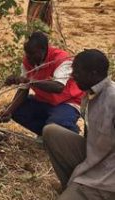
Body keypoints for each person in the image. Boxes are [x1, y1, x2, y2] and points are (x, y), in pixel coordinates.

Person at [43, 49, 115, 199]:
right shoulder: (90, 93)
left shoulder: (112, 99)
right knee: (52, 132)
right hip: (95, 158)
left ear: (93, 74)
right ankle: (72, 185)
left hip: (107, 178)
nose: (72, 75)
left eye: (77, 71)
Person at [0, 31, 84, 140]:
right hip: (44, 101)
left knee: (56, 124)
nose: (29, 58)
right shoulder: (28, 62)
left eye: (33, 54)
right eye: (27, 54)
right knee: (16, 110)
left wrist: (28, 80)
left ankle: (68, 133)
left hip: (67, 102)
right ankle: (47, 135)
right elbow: (23, 90)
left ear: (44, 49)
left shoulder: (61, 59)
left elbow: (58, 87)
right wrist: (9, 111)